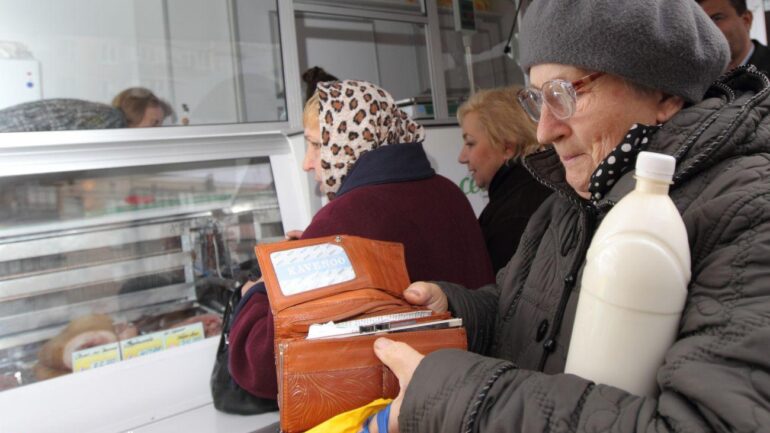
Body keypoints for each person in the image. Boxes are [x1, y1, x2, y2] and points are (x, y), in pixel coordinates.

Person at [366, 1, 770, 432]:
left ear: (665, 94)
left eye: (565, 93)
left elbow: (706, 423)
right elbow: (518, 313)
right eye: (537, 99)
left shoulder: (747, 210)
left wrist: (456, 397)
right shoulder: (570, 200)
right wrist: (453, 309)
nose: (544, 130)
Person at [227, 80, 495, 402]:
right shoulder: (450, 193)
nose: (307, 162)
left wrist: (258, 290)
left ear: (348, 142)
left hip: (399, 412)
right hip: (476, 392)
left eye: (316, 145)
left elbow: (263, 367)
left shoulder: (337, 223)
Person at [457, 86, 551, 273]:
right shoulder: (536, 190)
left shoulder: (513, 216)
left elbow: (504, 289)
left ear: (507, 147)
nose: (462, 157)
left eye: (470, 143)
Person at [697, 0, 770, 73]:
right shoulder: (701, 74)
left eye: (717, 18)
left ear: (746, 20)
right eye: (701, 23)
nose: (706, 30)